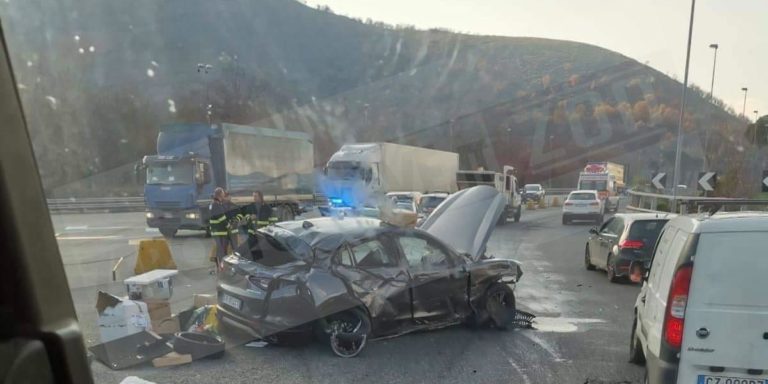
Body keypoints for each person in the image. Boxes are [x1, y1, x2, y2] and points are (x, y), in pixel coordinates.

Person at [208, 187, 238, 267]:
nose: (224, 197)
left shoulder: (214, 204)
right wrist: (229, 226)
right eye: (223, 195)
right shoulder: (216, 204)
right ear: (220, 195)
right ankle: (220, 267)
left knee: (221, 250)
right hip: (219, 231)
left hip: (218, 231)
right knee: (221, 251)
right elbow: (221, 218)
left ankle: (221, 266)